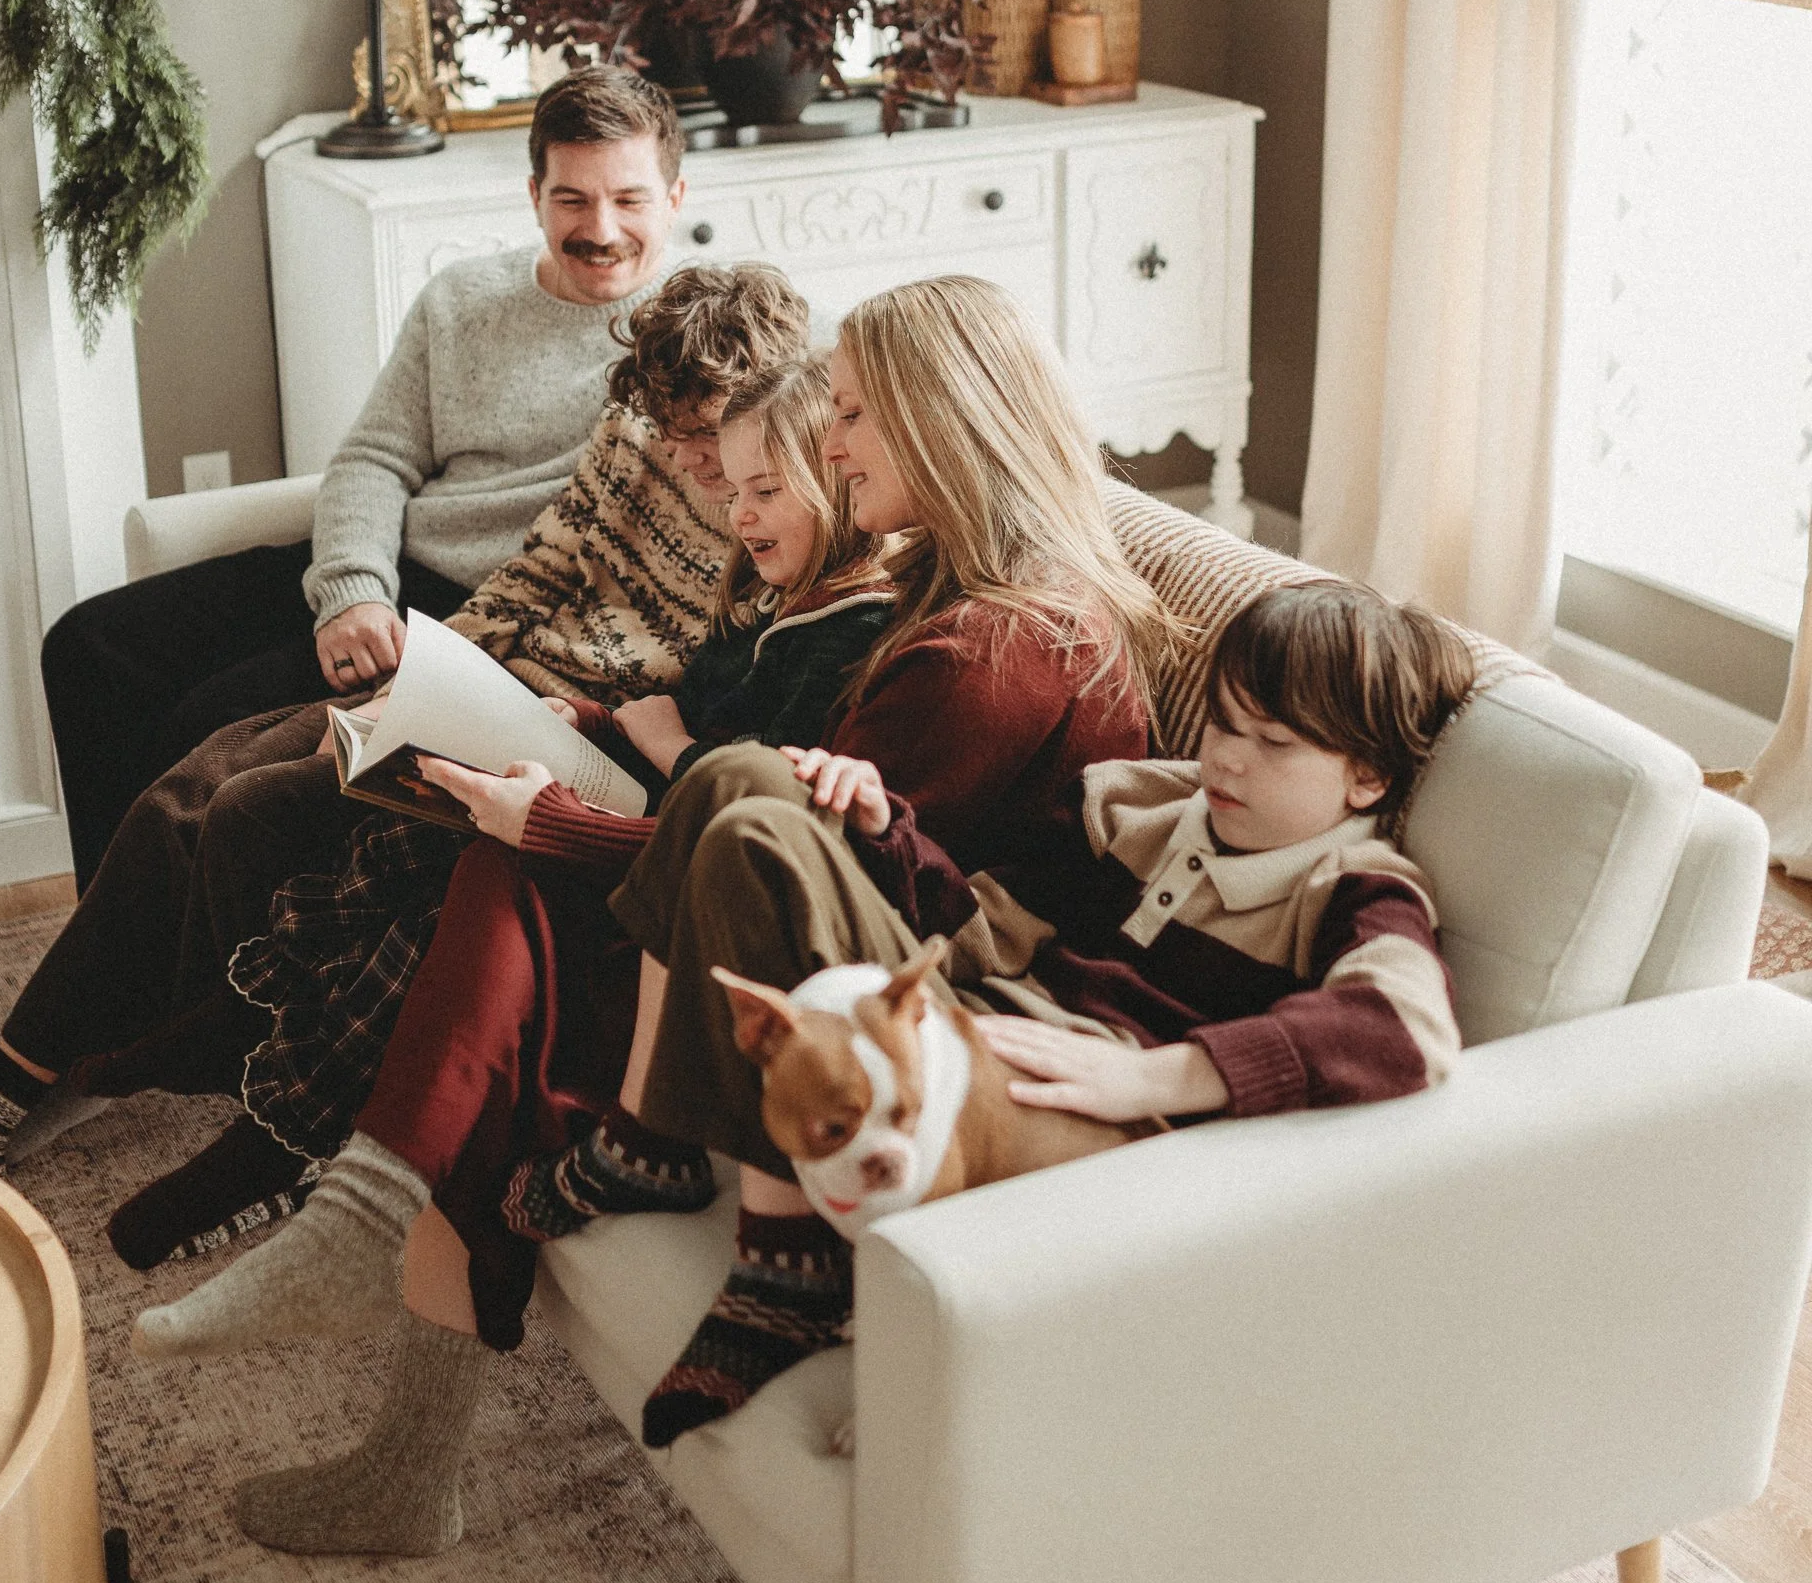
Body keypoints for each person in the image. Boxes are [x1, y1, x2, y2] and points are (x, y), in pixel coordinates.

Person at [146, 274, 1178, 1557]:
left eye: (850, 413)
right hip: (823, 926)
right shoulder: (948, 587)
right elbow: (787, 834)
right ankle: (371, 1248)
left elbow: (818, 875)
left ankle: (387, 1278)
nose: (834, 439)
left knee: (527, 883)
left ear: (933, 419)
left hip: (911, 1000)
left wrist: (562, 825)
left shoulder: (990, 649)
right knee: (506, 869)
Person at [0, 261, 807, 1234]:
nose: (685, 458)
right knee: (192, 789)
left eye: (702, 435)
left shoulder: (781, 506)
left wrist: (563, 716)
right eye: (669, 432)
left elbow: (711, 708)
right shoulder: (646, 438)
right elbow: (543, 563)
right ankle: (29, 1064)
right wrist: (425, 677)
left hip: (578, 745)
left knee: (257, 811)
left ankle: (249, 1098)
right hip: (496, 682)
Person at [130, 352, 895, 1383]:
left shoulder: (847, 635)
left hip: (685, 905)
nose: (737, 511)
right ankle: (310, 1146)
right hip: (641, 821)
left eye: (765, 490)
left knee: (487, 865)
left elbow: (743, 816)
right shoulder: (765, 605)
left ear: (838, 481)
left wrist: (634, 765)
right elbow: (695, 754)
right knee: (400, 822)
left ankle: (325, 1173)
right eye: (726, 486)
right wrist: (580, 723)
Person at [610, 569, 1476, 1443]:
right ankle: (652, 1143)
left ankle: (784, 1276)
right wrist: (881, 831)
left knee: (750, 819)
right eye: (1223, 722)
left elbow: (1407, 1029)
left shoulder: (1357, 891)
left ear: (1365, 778)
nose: (1228, 757)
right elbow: (984, 931)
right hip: (961, 1022)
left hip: (1073, 1122)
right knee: (741, 782)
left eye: (1275, 742)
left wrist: (1156, 1077)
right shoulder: (1131, 803)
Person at [39, 65, 688, 889]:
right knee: (89, 647)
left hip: (475, 620)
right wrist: (352, 590)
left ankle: (160, 962)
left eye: (629, 199)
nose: (601, 228)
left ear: (674, 197)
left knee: (201, 724)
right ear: (534, 195)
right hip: (381, 572)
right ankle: (106, 932)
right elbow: (375, 458)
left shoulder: (690, 337)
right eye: (573, 199)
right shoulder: (463, 298)